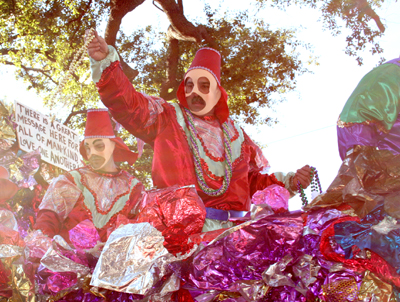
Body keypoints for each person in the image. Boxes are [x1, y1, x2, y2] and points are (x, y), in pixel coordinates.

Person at [86, 31, 313, 231]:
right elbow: (129, 105)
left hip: (232, 234)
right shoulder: (167, 116)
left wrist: (292, 181)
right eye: (190, 85)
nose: (195, 92)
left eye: (205, 86)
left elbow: (251, 183)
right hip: (179, 233)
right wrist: (106, 62)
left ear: (217, 93)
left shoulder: (237, 136)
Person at [33, 108, 144, 243]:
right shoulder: (72, 180)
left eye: (99, 146)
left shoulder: (133, 187)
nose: (92, 154)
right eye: (87, 148)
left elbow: (140, 231)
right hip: (70, 261)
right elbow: (47, 222)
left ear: (113, 145)